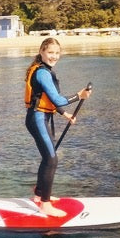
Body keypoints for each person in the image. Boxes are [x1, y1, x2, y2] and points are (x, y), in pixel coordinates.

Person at [24, 37, 92, 217]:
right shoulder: (42, 73)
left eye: (57, 53)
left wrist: (65, 113)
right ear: (41, 52)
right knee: (51, 160)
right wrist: (79, 95)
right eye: (50, 52)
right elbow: (57, 99)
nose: (54, 56)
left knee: (48, 157)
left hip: (43, 117)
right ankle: (45, 205)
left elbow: (47, 100)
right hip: (38, 118)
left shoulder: (45, 71)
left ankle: (40, 194)